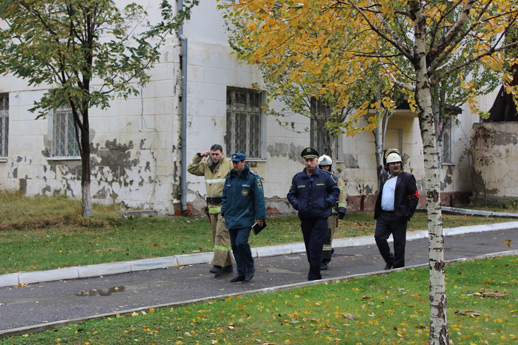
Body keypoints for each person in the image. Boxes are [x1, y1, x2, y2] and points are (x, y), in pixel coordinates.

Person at [287, 147, 340, 281]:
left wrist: (326, 203)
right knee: (309, 247)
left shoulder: (325, 176)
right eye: (306, 160)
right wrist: (298, 205)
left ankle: (314, 276)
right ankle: (315, 271)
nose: (309, 163)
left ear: (316, 161)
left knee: (315, 246)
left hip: (320, 217)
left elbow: (335, 191)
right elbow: (291, 194)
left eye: (311, 160)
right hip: (305, 217)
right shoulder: (298, 178)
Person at [187, 144, 234, 276]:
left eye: (217, 154)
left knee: (221, 235)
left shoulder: (229, 164)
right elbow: (191, 169)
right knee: (216, 237)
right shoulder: (206, 166)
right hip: (212, 208)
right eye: (212, 154)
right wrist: (199, 156)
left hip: (226, 207)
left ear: (222, 153)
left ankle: (218, 264)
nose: (214, 157)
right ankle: (227, 265)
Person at [221, 153, 266, 283]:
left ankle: (249, 268)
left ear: (243, 162)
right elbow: (225, 195)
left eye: (237, 162)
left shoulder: (253, 178)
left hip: (246, 217)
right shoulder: (230, 177)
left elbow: (259, 199)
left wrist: (260, 217)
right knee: (235, 246)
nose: (235, 165)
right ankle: (241, 272)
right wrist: (224, 210)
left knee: (241, 242)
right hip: (232, 216)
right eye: (233, 162)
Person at [374, 151, 419, 270]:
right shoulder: (384, 176)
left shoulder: (407, 178)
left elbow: (414, 196)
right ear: (388, 165)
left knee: (399, 243)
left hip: (399, 215)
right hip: (384, 215)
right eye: (393, 163)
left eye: (398, 163)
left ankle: (398, 267)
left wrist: (408, 212)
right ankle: (390, 260)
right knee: (379, 237)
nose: (396, 165)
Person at [317, 154, 348, 270]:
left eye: (327, 167)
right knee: (317, 235)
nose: (325, 169)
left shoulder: (335, 179)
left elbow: (342, 194)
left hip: (331, 212)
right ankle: (320, 255)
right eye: (323, 167)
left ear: (330, 167)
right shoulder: (315, 178)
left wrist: (342, 208)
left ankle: (324, 260)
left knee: (327, 235)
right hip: (317, 212)